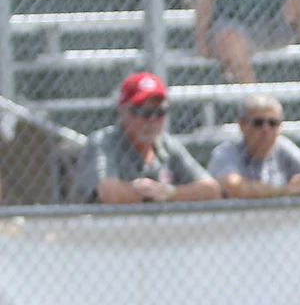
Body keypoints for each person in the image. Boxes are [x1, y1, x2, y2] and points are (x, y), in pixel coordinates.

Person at [71, 72, 220, 205]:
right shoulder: (103, 141)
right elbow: (109, 193)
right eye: (143, 112)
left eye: (160, 111)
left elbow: (211, 189)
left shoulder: (167, 144)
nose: (152, 120)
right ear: (122, 112)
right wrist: (150, 194)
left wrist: (168, 192)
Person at [208, 94, 300, 198]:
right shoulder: (226, 152)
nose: (266, 130)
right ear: (242, 125)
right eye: (258, 123)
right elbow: (234, 188)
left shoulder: (282, 146)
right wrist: (287, 191)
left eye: (273, 123)